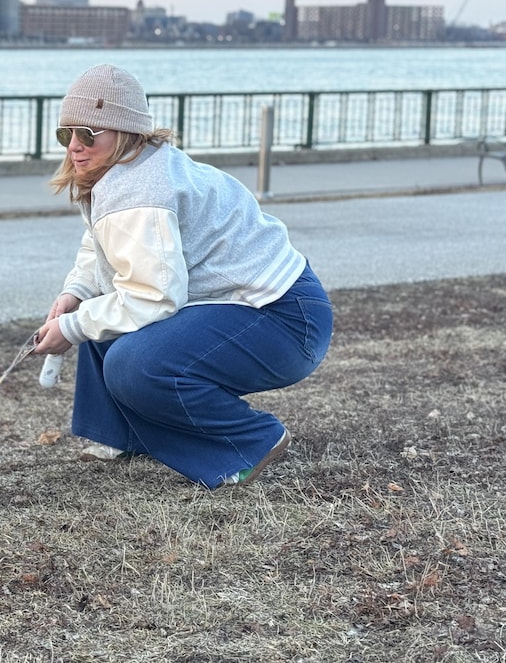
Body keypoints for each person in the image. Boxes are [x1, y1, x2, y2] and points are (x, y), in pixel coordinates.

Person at [32, 64, 333, 489]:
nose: (75, 147)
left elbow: (154, 298)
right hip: (265, 305)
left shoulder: (141, 192)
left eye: (88, 134)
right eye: (67, 134)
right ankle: (127, 436)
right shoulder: (129, 171)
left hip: (284, 317)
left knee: (135, 363)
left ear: (126, 131)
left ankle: (251, 440)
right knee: (103, 316)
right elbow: (103, 245)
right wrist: (77, 293)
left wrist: (72, 326)